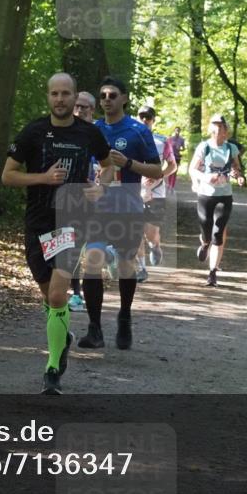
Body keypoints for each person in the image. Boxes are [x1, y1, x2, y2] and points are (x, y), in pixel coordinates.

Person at [2, 73, 112, 394]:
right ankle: (62, 337)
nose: (60, 99)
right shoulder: (33, 131)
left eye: (65, 93)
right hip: (37, 222)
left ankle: (52, 369)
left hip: (71, 221)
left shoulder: (89, 133)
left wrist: (100, 187)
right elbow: (8, 175)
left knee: (57, 295)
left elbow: (108, 166)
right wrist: (43, 177)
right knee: (48, 296)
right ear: (48, 97)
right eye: (55, 94)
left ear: (74, 97)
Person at [86, 77, 162, 351]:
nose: (107, 99)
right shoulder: (93, 129)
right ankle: (94, 328)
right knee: (92, 261)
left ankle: (125, 316)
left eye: (112, 95)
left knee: (125, 264)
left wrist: (129, 163)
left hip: (127, 208)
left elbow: (157, 170)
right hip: (98, 209)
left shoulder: (137, 131)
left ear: (124, 98)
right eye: (103, 95)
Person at [189, 113, 246, 287]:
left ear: (225, 130)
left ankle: (212, 273)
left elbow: (237, 168)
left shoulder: (231, 148)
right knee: (207, 232)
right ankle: (205, 244)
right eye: (215, 125)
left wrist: (239, 177)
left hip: (224, 195)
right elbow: (192, 169)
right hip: (206, 194)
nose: (218, 129)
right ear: (210, 129)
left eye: (221, 126)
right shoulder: (204, 147)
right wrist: (205, 178)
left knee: (218, 233)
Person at [136, 106, 177, 271]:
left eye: (148, 117)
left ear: (154, 120)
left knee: (151, 233)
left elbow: (173, 165)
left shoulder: (162, 141)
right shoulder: (128, 139)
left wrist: (159, 175)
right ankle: (141, 268)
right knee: (136, 231)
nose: (145, 120)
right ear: (137, 118)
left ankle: (155, 245)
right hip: (134, 191)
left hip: (156, 192)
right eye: (142, 117)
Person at [68, 91, 97, 313]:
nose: (78, 110)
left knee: (94, 248)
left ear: (92, 110)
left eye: (83, 107)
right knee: (73, 246)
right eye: (76, 106)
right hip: (71, 200)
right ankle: (76, 293)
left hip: (99, 201)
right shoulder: (64, 132)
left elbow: (110, 166)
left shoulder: (99, 133)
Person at [168, 126, 186, 191]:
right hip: (171, 157)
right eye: (176, 130)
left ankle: (172, 186)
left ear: (180, 131)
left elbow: (184, 148)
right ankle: (169, 185)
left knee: (175, 171)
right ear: (174, 131)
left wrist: (180, 149)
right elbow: (167, 148)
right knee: (170, 171)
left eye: (178, 130)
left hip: (177, 157)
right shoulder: (170, 139)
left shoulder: (182, 139)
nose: (177, 131)